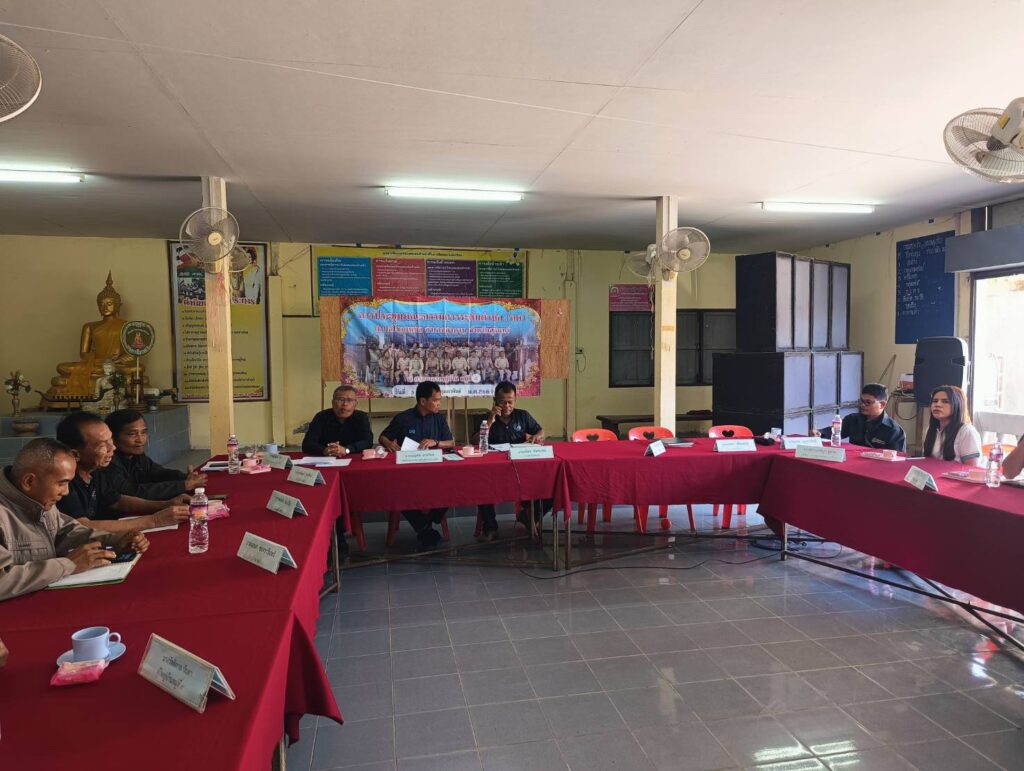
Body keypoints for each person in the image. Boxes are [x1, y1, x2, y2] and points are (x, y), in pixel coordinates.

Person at [1, 438, 149, 601]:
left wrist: (116, 540)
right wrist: (68, 564)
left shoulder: (38, 501)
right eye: (61, 483)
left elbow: (69, 530)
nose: (66, 492)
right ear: (29, 481)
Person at [55, 412, 189, 532]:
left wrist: (165, 504)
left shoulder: (94, 470)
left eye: (110, 441)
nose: (112, 448)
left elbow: (117, 501)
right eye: (102, 445)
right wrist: (154, 520)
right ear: (75, 454)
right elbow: (82, 526)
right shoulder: (64, 481)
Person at [379, 381, 454, 550]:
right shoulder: (403, 418)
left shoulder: (438, 418)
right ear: (422, 401)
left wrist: (436, 442)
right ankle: (425, 527)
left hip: (435, 472)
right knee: (399, 491)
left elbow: (451, 442)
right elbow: (383, 437)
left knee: (453, 485)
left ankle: (428, 522)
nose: (439, 403)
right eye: (435, 400)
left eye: (440, 400)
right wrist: (389, 444)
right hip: (408, 474)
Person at [475, 381, 551, 542]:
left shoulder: (522, 416)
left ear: (515, 400)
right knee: (481, 485)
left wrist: (538, 436)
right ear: (495, 401)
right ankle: (490, 527)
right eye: (503, 402)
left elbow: (540, 431)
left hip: (521, 468)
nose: (507, 406)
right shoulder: (486, 418)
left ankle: (530, 515)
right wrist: (490, 420)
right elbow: (475, 441)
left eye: (510, 402)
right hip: (494, 470)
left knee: (550, 482)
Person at [104, 409, 206, 498]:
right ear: (112, 438)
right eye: (132, 434)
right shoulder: (107, 461)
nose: (140, 439)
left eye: (143, 432)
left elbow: (158, 473)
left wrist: (185, 477)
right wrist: (183, 485)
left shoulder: (136, 455)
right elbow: (131, 492)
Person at [820, 383, 907, 451]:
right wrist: (819, 433)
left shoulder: (894, 431)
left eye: (868, 402)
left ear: (882, 404)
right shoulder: (852, 419)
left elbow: (898, 459)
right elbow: (834, 431)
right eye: (861, 401)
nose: (862, 405)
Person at [302, 385, 374, 457]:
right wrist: (324, 450)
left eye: (350, 400)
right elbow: (307, 444)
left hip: (353, 458)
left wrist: (346, 449)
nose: (345, 404)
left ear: (355, 404)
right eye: (340, 399)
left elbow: (368, 442)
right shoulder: (321, 417)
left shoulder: (361, 417)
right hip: (325, 458)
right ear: (333, 402)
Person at [923, 385, 983, 466]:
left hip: (956, 474)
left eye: (945, 401)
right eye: (935, 401)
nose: (937, 404)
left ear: (957, 405)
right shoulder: (930, 430)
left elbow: (972, 468)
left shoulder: (967, 431)